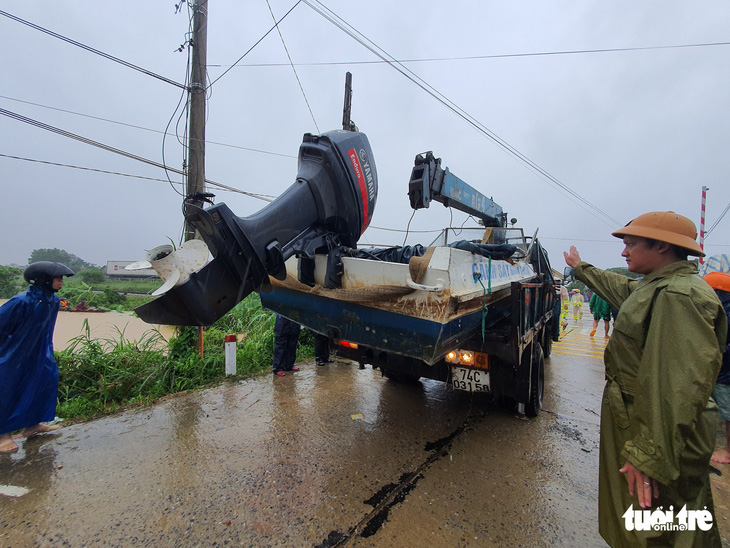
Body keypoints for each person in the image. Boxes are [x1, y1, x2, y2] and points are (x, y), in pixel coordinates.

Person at [563, 211, 726, 547]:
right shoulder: (657, 287)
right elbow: (621, 287)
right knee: (657, 520)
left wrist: (649, 455)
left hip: (657, 430)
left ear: (662, 246)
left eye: (631, 244)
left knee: (655, 525)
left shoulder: (680, 297)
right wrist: (582, 268)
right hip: (648, 425)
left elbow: (677, 386)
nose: (624, 253)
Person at [0, 261, 74, 453]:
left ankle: (32, 425)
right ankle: (2, 436)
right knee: (7, 391)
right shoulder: (21, 301)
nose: (61, 282)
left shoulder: (53, 301)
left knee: (43, 382)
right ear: (43, 279)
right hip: (13, 353)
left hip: (40, 351)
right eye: (57, 278)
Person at [705, 271, 730, 464]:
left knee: (726, 413)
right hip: (717, 372)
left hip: (725, 375)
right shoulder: (718, 311)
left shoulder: (724, 312)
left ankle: (727, 451)